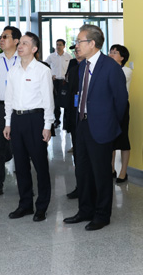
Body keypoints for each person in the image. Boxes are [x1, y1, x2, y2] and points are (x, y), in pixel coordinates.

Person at [63, 24, 127, 231]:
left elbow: (121, 101)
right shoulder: (82, 65)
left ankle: (102, 215)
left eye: (79, 41)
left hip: (101, 127)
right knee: (82, 171)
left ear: (92, 43)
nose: (76, 45)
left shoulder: (110, 67)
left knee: (101, 174)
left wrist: (109, 124)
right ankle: (85, 210)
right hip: (82, 125)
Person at [3, 32, 54, 221]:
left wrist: (47, 125)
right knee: (21, 165)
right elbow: (8, 99)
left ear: (34, 49)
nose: (20, 46)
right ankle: (25, 205)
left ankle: (41, 206)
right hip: (17, 120)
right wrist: (8, 123)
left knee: (40, 165)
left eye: (25, 43)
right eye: (20, 43)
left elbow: (48, 101)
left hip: (35, 120)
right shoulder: (13, 70)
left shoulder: (42, 70)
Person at [0, 26, 22, 199]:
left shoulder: (23, 59)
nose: (1, 40)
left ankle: (24, 186)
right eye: (1, 37)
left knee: (21, 147)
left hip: (19, 108)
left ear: (16, 41)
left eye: (5, 37)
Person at [108, 44, 132, 183]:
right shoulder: (108, 69)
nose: (111, 55)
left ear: (122, 57)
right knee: (110, 138)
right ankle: (111, 168)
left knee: (123, 140)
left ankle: (123, 172)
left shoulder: (126, 71)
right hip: (108, 107)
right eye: (110, 52)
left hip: (121, 107)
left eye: (115, 53)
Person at [64, 45, 83, 199]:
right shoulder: (73, 69)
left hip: (90, 120)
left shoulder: (95, 69)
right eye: (75, 51)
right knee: (78, 154)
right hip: (74, 117)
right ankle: (80, 186)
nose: (76, 53)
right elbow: (70, 96)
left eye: (79, 49)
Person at [45, 39, 72, 127]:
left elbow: (72, 68)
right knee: (55, 102)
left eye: (60, 45)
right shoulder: (51, 56)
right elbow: (45, 67)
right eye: (57, 44)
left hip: (65, 82)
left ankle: (66, 122)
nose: (58, 46)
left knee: (65, 101)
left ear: (64, 46)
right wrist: (50, 75)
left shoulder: (69, 57)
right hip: (55, 81)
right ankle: (57, 120)